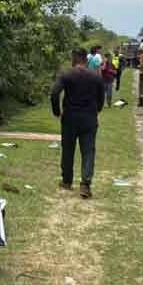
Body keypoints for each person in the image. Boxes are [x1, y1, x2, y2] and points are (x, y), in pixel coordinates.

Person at [51, 48, 105, 199]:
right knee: (88, 151)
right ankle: (85, 184)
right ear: (86, 60)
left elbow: (55, 93)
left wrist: (57, 111)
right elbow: (101, 97)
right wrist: (98, 109)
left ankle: (67, 181)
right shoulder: (95, 77)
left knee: (68, 149)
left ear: (73, 59)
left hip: (70, 118)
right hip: (89, 118)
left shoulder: (66, 74)